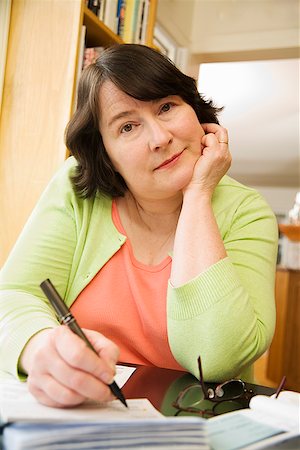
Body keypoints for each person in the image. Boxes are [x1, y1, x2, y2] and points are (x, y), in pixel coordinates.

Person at [0, 44, 278, 408]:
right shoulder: (75, 188)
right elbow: (14, 296)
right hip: (86, 415)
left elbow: (215, 357)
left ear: (195, 112)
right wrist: (39, 347)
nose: (160, 138)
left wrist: (198, 195)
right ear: (106, 154)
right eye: (128, 126)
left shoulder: (248, 211)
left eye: (166, 107)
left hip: (196, 425)